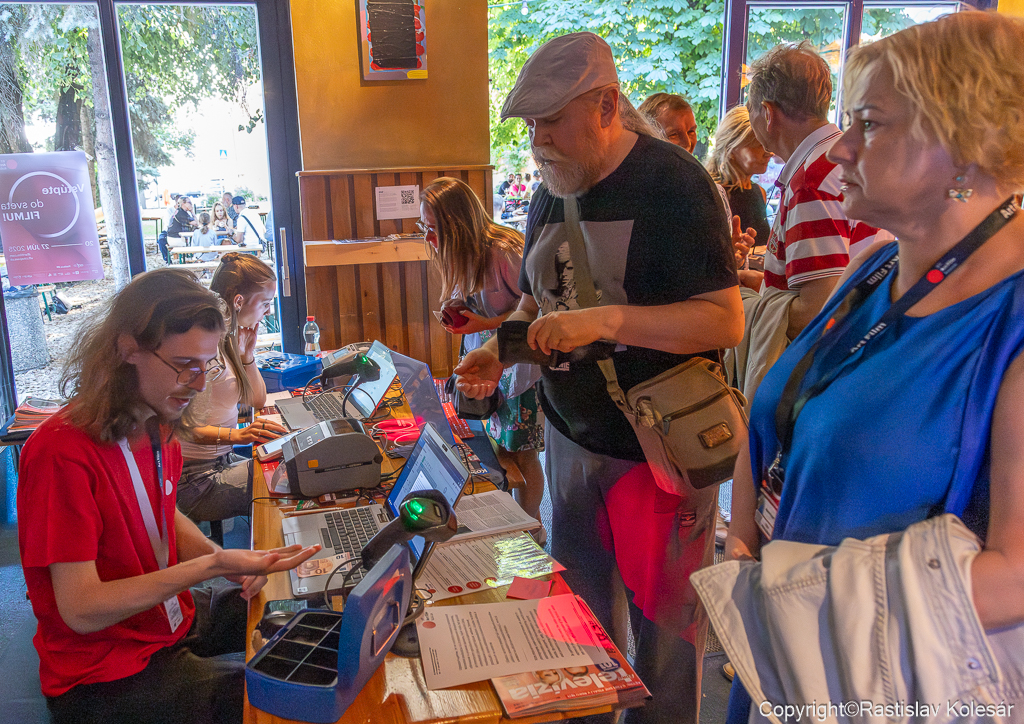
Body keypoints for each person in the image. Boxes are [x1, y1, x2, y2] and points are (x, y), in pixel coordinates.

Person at [725, 11, 1024, 723]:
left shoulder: (1009, 322)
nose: (838, 151)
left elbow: (1016, 576)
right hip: (785, 653)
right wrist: (742, 554)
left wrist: (784, 596)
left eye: (869, 124)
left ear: (966, 147)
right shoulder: (872, 266)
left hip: (886, 682)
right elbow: (778, 413)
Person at [456, 32, 742, 724]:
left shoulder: (676, 184)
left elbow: (723, 321)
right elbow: (533, 304)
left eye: (551, 121)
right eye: (531, 126)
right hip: (569, 439)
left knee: (667, 642)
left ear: (607, 104)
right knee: (578, 626)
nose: (538, 140)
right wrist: (501, 350)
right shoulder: (551, 191)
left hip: (658, 455)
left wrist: (606, 321)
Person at [17, 268, 319, 724]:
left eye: (207, 364)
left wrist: (225, 563)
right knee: (279, 695)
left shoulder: (156, 423)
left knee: (307, 617)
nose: (199, 383)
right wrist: (213, 565)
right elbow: (80, 609)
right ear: (127, 349)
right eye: (184, 365)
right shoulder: (60, 453)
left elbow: (164, 512)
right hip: (101, 674)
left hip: (164, 620)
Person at [419, 176, 547, 542]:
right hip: (492, 364)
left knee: (521, 452)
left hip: (521, 366)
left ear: (456, 225)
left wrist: (486, 322)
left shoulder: (505, 251)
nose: (429, 238)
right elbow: (483, 302)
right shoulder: (463, 251)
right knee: (499, 445)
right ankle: (518, 520)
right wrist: (459, 308)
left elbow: (539, 311)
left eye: (433, 229)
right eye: (423, 228)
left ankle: (532, 526)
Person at [745, 41, 890, 339]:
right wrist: (764, 283)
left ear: (767, 113)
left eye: (750, 110)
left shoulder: (811, 180)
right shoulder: (837, 159)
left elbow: (817, 312)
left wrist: (749, 308)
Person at [176, 253, 286, 523]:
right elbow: (181, 428)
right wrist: (235, 436)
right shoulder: (206, 349)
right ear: (238, 302)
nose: (269, 311)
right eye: (265, 303)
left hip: (221, 462)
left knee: (301, 467)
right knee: (294, 481)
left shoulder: (227, 341)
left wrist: (247, 355)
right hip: (195, 480)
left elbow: (258, 400)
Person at [706, 106, 773, 253]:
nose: (770, 153)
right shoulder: (712, 192)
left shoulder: (759, 191)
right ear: (731, 149)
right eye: (759, 145)